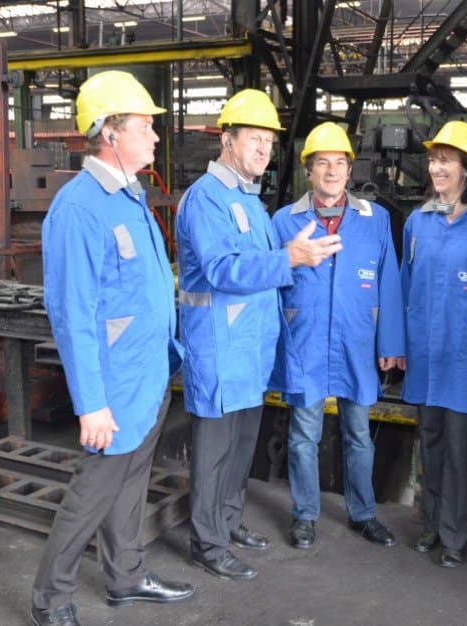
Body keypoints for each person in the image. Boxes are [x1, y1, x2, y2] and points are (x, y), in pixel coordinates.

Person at [31, 71, 193, 626]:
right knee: (90, 495)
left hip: (146, 377)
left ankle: (126, 577)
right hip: (114, 388)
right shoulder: (80, 208)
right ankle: (50, 599)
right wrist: (90, 402)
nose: (154, 137)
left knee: (130, 485)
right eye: (144, 127)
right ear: (108, 134)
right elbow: (73, 314)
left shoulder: (130, 197)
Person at [176, 89, 342, 581]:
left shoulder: (246, 199)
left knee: (242, 447)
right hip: (219, 347)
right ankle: (206, 542)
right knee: (214, 452)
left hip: (249, 349)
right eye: (254, 139)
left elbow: (260, 266)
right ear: (227, 140)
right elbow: (222, 269)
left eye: (269, 141)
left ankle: (227, 523)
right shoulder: (207, 198)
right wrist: (288, 258)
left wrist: (287, 251)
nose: (264, 150)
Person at [270, 122, 405, 550]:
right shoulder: (284, 221)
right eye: (322, 163)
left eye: (340, 163)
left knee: (359, 434)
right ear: (308, 171)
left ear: (350, 170)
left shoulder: (375, 220)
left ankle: (363, 513)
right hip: (306, 341)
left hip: (356, 342)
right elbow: (270, 288)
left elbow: (389, 282)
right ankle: (305, 515)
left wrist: (391, 344)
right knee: (303, 434)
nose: (331, 171)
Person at [399, 120, 467, 569]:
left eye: (446, 160)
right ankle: (430, 525)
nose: (437, 167)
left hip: (465, 353)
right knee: (429, 440)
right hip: (425, 352)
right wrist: (398, 344)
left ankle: (455, 536)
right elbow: (406, 288)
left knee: (461, 446)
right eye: (433, 159)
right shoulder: (417, 220)